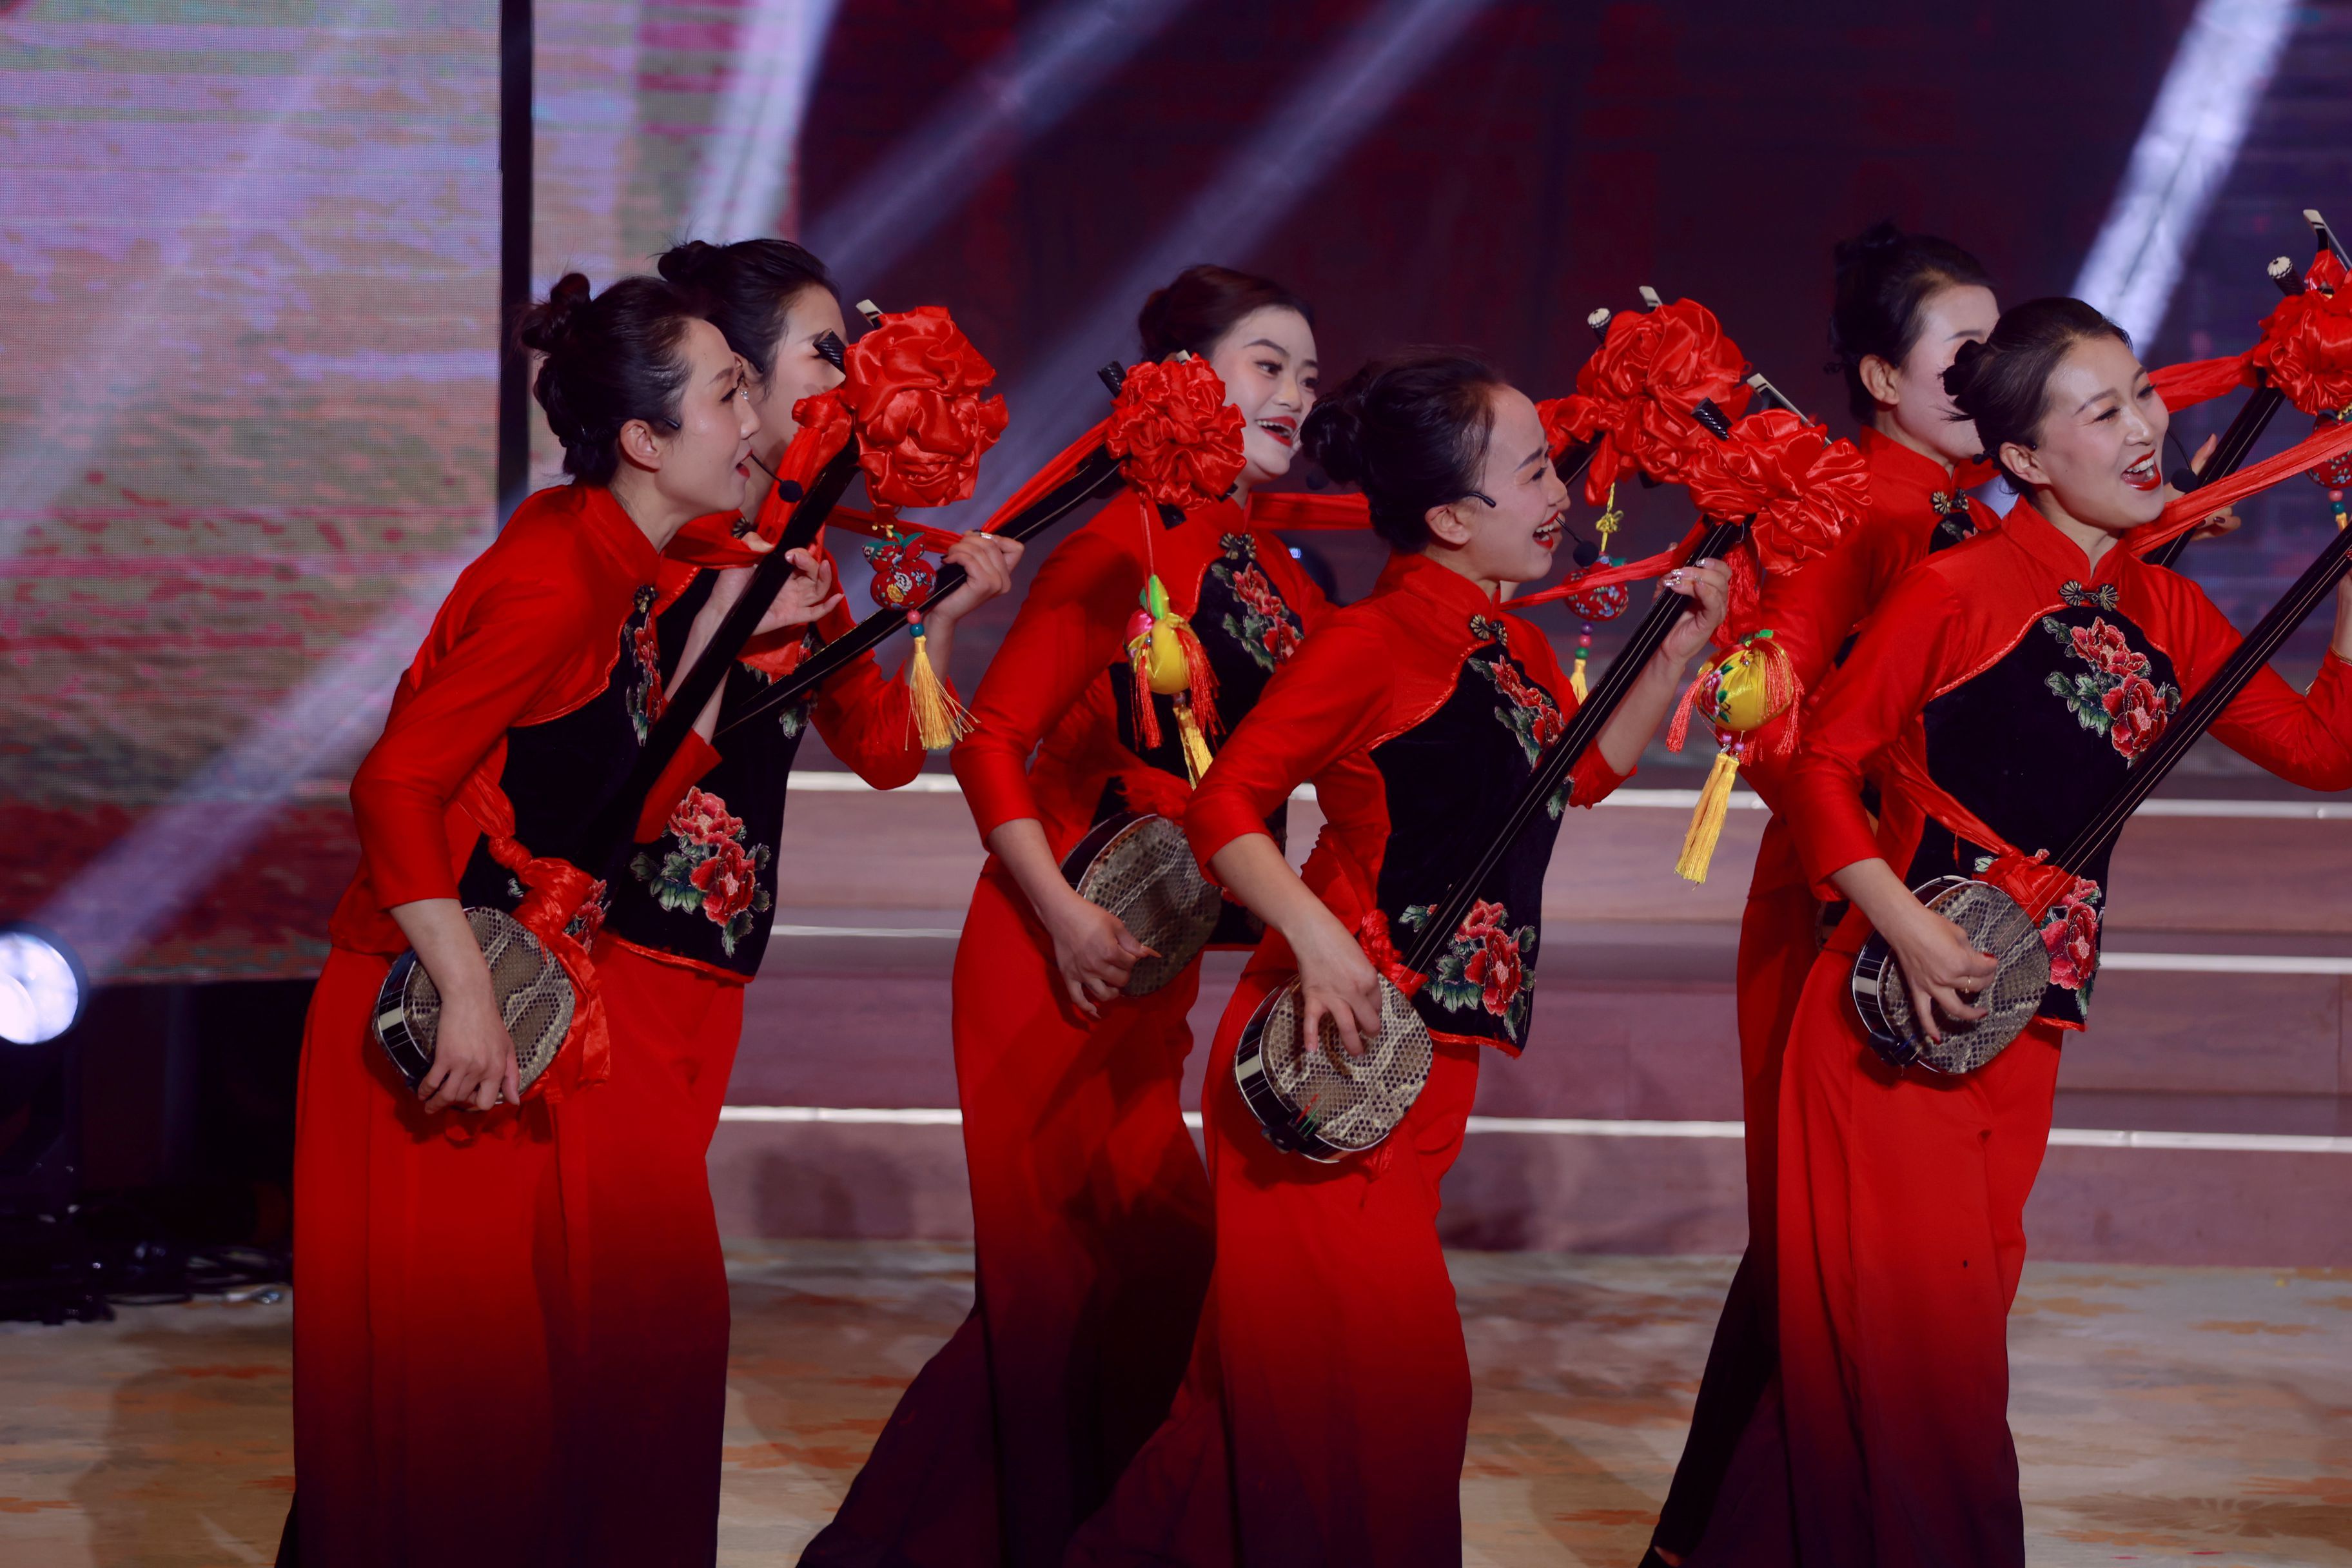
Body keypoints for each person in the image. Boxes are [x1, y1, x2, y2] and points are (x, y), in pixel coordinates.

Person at [1686, 298, 2352, 1567]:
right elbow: (1819, 761)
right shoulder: (1956, 589)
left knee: (1919, 1369)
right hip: (1891, 1019)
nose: (2146, 427)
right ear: (2027, 458)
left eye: (2144, 394)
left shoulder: (2167, 611)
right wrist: (1904, 924)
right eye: (2104, 410)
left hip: (2021, 1027)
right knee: (1929, 1389)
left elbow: (2328, 751)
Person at [1072, 349, 1730, 1565]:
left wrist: (1679, 650)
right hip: (1324, 1062)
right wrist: (1319, 942)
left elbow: (1578, 776)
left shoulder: (1507, 643)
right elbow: (1226, 807)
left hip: (1423, 1072)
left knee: (1272, 1412)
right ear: (1450, 518)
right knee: (1390, 1407)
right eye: (1533, 473)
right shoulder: (1371, 644)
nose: (1562, 494)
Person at [284, 271, 828, 1566]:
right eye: (729, 394)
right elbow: (395, 784)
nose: (756, 421)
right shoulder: (556, 581)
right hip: (425, 1017)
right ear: (644, 437)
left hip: (501, 1005)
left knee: (502, 1411)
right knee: (453, 1417)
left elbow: (616, 802)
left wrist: (728, 636)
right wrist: (469, 990)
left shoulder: (611, 555)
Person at [802, 265, 1330, 1568]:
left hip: (1152, 971)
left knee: (1144, 1277)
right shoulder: (1115, 543)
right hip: (1048, 964)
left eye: (1309, 376)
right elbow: (992, 742)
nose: (1297, 396)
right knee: (1057, 1300)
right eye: (1268, 366)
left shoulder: (1273, 567)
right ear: (1184, 380)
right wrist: (1062, 917)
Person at [545, 239, 1020, 1563]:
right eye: (828, 351)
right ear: (739, 382)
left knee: (647, 1324)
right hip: (616, 971)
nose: (854, 376)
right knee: (634, 1316)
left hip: (712, 981)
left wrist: (934, 623)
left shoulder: (787, 555)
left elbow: (886, 753)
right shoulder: (657, 550)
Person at [1640, 221, 2002, 1566]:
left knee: (1837, 1244)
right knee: (1809, 1239)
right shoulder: (1855, 504)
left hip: (1918, 894)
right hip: (1840, 900)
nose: (1991, 374)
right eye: (1964, 351)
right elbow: (1784, 720)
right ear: (1883, 378)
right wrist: (1874, 890)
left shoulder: (1960, 509)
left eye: (2001, 347)